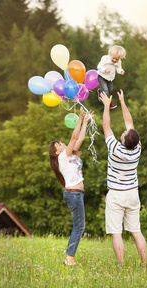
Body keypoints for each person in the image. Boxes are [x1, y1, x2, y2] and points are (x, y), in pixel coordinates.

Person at [100, 89, 147, 264]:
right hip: (132, 194)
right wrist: (122, 101)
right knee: (136, 231)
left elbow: (106, 127)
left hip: (116, 195)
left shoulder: (115, 148)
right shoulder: (137, 148)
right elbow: (130, 122)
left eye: (125, 135)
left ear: (125, 141)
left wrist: (106, 106)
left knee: (116, 233)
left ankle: (121, 266)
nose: (124, 132)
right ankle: (144, 263)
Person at [49, 107, 94, 266]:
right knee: (79, 227)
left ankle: (70, 258)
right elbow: (74, 136)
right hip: (74, 194)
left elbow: (79, 138)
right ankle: (69, 259)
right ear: (56, 152)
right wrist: (80, 118)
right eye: (59, 144)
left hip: (76, 194)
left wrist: (86, 122)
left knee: (79, 226)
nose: (63, 143)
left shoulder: (70, 154)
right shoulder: (62, 157)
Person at [97, 45, 126, 109]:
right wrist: (105, 69)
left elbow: (118, 68)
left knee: (110, 90)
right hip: (102, 76)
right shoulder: (105, 58)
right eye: (113, 58)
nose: (115, 60)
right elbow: (99, 66)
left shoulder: (119, 61)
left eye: (117, 59)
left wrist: (121, 71)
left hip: (110, 78)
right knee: (106, 91)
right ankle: (107, 104)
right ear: (110, 54)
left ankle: (100, 91)